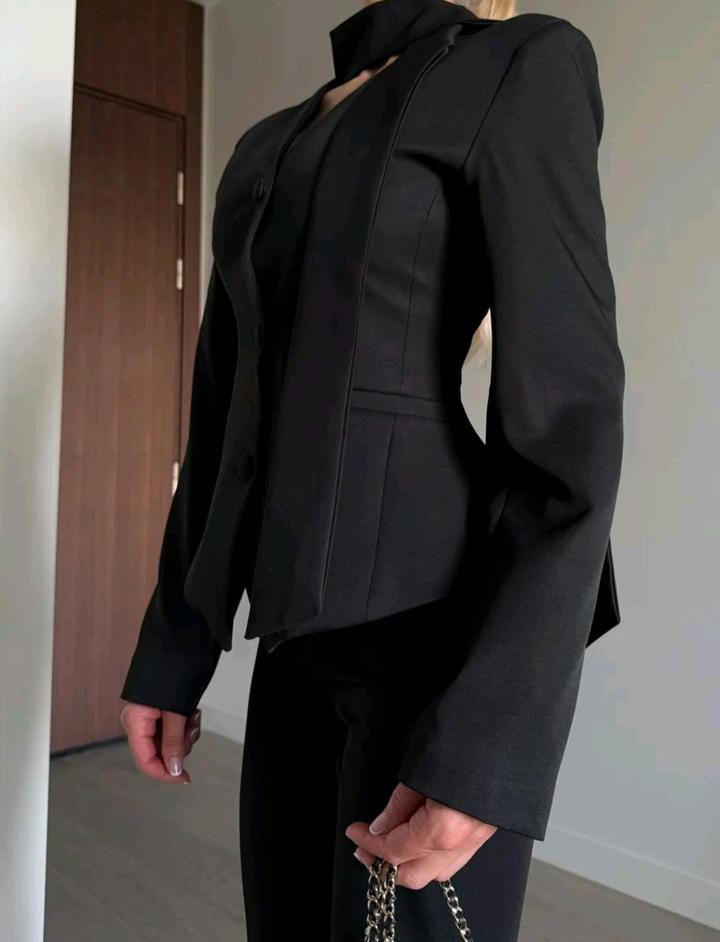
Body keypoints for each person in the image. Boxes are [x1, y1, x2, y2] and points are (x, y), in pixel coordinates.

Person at [119, 0, 625, 938]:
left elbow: (570, 427)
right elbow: (225, 409)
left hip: (434, 655)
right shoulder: (268, 141)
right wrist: (176, 642)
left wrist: (487, 752)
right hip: (292, 646)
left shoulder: (522, 64)